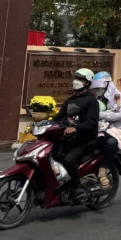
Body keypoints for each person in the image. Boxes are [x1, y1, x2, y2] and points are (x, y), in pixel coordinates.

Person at [51, 68, 100, 201]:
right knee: (53, 155)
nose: (76, 81)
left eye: (80, 79)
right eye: (75, 78)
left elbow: (91, 122)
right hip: (69, 139)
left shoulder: (91, 101)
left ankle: (77, 187)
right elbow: (58, 118)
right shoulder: (70, 100)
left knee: (68, 159)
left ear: (87, 83)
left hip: (85, 140)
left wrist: (76, 128)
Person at [90, 72, 121, 188]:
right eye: (95, 88)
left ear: (106, 84)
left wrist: (100, 115)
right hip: (97, 129)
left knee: (111, 143)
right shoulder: (95, 97)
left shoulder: (117, 96)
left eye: (98, 87)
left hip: (113, 130)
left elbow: (120, 113)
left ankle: (103, 170)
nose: (97, 90)